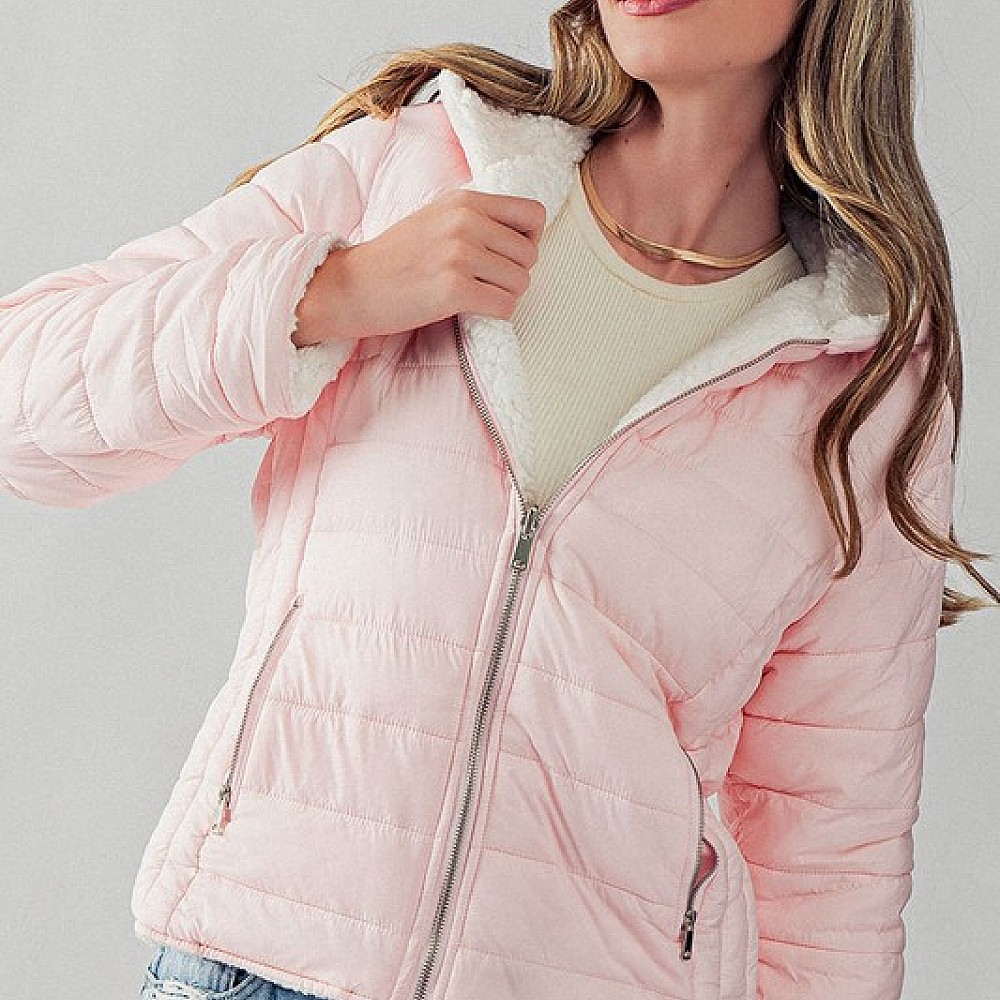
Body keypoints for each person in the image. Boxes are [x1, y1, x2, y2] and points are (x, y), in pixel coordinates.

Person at [1, 1, 997, 999]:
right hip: (254, 965)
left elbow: (829, 853)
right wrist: (331, 293)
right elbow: (21, 400)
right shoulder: (420, 168)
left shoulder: (861, 376)